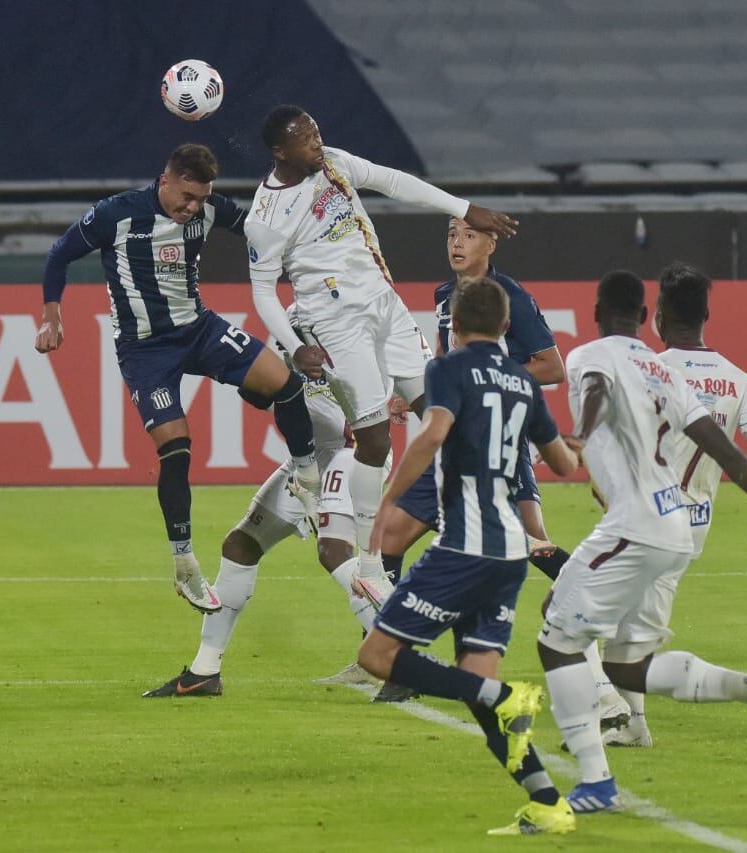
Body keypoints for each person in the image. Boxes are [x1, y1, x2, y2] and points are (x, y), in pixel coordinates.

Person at [537, 271, 747, 815]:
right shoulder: (670, 373)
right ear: (642, 317)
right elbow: (735, 456)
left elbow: (596, 392)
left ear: (599, 312)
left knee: (555, 632)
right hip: (678, 527)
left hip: (633, 521)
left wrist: (582, 435)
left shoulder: (591, 356)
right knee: (626, 658)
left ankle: (596, 775)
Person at [244, 105, 517, 607]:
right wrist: (296, 343)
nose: (316, 142)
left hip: (384, 304)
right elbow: (262, 292)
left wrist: (461, 208)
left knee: (443, 411)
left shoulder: (333, 163)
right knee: (372, 438)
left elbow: (392, 181)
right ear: (280, 152)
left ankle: (478, 527)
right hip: (335, 322)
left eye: (316, 130)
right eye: (305, 138)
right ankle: (372, 561)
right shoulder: (264, 217)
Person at [36, 143, 319, 615]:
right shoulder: (116, 214)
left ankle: (306, 475)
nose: (193, 208)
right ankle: (184, 561)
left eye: (201, 199)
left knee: (285, 384)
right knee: (177, 449)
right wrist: (51, 317)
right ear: (165, 180)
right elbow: (59, 254)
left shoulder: (207, 210)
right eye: (185, 197)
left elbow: (259, 233)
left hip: (199, 329)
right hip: (145, 350)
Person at [357, 277, 582, 837]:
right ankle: (546, 801)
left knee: (378, 655)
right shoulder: (523, 385)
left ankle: (503, 695)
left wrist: (387, 501)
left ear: (452, 325)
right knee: (476, 682)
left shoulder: (447, 369)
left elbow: (432, 435)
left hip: (464, 546)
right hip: (510, 554)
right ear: (508, 328)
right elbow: (564, 465)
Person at [143, 312, 385, 697]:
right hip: (307, 458)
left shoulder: (344, 315)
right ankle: (205, 671)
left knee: (333, 550)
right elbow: (263, 392)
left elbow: (364, 376)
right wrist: (221, 366)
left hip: (349, 453)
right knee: (241, 545)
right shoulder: (290, 320)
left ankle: (397, 653)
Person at [602, 261, 747, 748]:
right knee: (625, 629)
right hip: (695, 524)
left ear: (657, 316)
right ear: (706, 316)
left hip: (646, 517)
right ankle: (631, 723)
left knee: (587, 628)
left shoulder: (648, 369)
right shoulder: (737, 379)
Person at [381, 217, 571, 585]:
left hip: (498, 434)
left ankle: (585, 604)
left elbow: (552, 367)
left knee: (534, 542)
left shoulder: (511, 297)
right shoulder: (443, 295)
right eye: (452, 234)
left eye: (469, 235)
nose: (457, 242)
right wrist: (412, 392)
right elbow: (444, 351)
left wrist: (487, 383)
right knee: (390, 537)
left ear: (491, 245)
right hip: (455, 440)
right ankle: (382, 634)